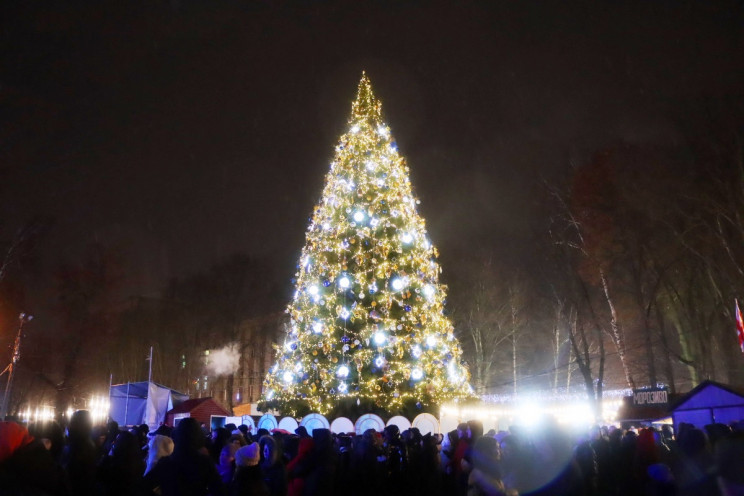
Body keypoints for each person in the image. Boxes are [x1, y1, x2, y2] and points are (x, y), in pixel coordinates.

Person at [144, 417, 223, 496]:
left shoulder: (166, 462)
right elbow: (219, 490)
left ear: (177, 436)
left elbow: (144, 485)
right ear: (199, 436)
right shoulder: (205, 462)